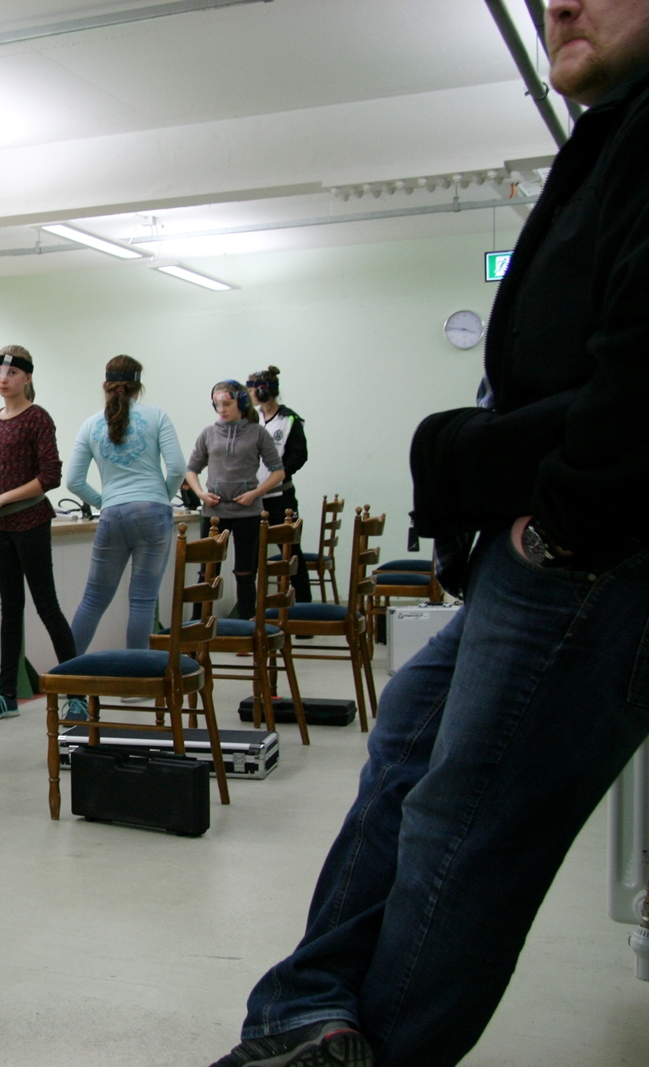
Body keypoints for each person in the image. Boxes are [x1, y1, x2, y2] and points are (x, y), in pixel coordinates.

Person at [208, 3, 649, 1065]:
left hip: (586, 554)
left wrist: (558, 527)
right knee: (406, 733)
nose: (558, 4)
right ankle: (303, 1013)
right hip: (535, 550)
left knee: (468, 823)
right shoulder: (614, 134)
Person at [64, 356, 185, 712]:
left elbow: (73, 481)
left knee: (93, 600)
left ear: (106, 385)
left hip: (112, 515)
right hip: (153, 512)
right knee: (143, 600)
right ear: (138, 386)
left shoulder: (90, 425)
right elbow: (178, 467)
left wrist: (106, 502)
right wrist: (160, 496)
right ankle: (135, 683)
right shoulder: (157, 416)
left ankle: (66, 676)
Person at [0, 345, 77, 722]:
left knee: (47, 606)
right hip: (2, 526)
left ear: (27, 377)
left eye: (12, 373)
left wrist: (3, 497)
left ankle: (77, 692)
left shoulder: (37, 418)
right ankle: (7, 694)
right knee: (10, 609)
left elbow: (50, 476)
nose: (3, 379)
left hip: (32, 522)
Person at [182, 382, 284, 618]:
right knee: (207, 572)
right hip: (214, 513)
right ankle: (198, 625)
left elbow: (278, 472)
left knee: (245, 572)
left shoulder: (258, 433)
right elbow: (191, 470)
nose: (222, 410)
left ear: (242, 403)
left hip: (248, 512)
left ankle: (247, 625)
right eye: (217, 405)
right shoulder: (208, 433)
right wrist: (200, 494)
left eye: (227, 404)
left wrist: (255, 493)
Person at [246, 365, 312, 602]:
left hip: (281, 499)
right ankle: (253, 607)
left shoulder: (289, 420)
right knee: (251, 555)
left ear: (263, 391)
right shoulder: (251, 419)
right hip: (255, 499)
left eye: (251, 389)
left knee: (291, 552)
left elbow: (299, 455)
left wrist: (278, 474)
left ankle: (304, 607)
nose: (248, 394)